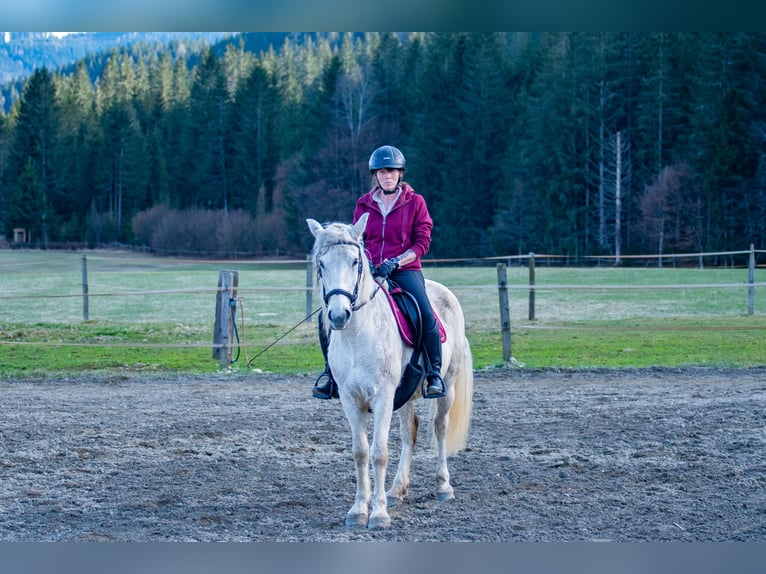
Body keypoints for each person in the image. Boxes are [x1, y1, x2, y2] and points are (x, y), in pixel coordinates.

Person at [312, 145, 446, 400]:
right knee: (326, 315)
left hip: (405, 270)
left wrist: (395, 262)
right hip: (369, 271)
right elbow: (356, 239)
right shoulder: (363, 203)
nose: (388, 176)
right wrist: (368, 265)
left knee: (425, 313)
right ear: (375, 174)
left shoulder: (415, 202)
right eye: (383, 172)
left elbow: (422, 243)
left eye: (393, 171)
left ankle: (433, 374)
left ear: (400, 174)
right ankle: (330, 374)